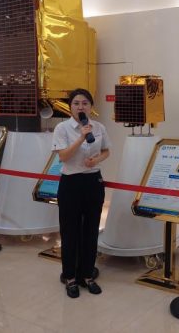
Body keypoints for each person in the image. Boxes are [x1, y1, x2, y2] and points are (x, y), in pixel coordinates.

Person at [52, 88, 111, 298]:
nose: (81, 107)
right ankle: (70, 277)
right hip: (71, 183)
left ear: (91, 106)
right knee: (70, 231)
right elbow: (63, 157)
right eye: (76, 103)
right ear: (70, 107)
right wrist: (81, 137)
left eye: (85, 103)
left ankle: (87, 275)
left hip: (93, 182)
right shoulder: (62, 128)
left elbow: (106, 151)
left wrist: (96, 160)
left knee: (91, 231)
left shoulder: (99, 127)